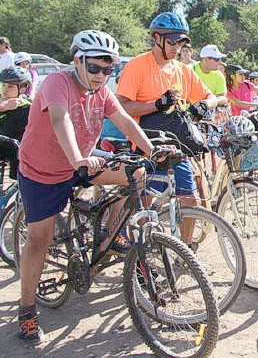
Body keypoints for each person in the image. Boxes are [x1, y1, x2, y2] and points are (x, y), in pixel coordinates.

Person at [16, 30, 168, 343]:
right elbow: (60, 121)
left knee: (137, 174)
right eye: (95, 68)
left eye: (108, 69)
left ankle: (109, 235)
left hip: (84, 161)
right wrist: (77, 159)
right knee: (38, 241)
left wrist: (153, 152)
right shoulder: (57, 83)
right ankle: (27, 310)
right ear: (77, 61)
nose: (101, 75)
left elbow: (125, 120)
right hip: (43, 170)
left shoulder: (102, 91)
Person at [116, 12, 220, 244]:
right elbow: (121, 106)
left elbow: (212, 96)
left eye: (181, 41)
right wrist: (156, 104)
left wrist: (205, 104)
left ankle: (184, 249)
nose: (177, 47)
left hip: (175, 145)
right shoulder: (137, 66)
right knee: (145, 202)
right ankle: (140, 246)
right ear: (156, 38)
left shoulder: (182, 70)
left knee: (189, 198)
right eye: (172, 41)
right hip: (145, 145)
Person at [0, 67, 32, 179]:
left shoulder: (26, 107)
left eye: (10, 86)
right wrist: (3, 107)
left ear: (22, 88)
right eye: (3, 85)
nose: (5, 89)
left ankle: (20, 179)